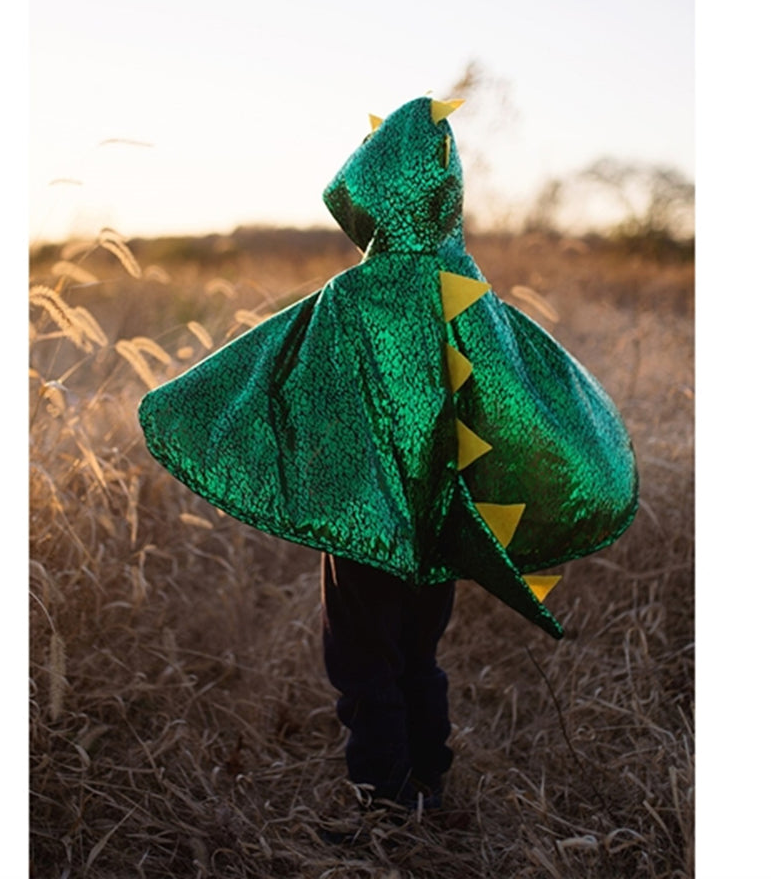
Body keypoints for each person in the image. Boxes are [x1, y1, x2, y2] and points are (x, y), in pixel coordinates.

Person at [138, 96, 638, 812]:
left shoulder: (353, 298)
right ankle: (430, 778)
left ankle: (387, 806)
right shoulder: (471, 294)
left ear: (374, 189)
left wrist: (181, 406)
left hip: (366, 526)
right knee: (417, 655)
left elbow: (276, 371)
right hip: (442, 526)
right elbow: (517, 390)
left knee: (363, 662)